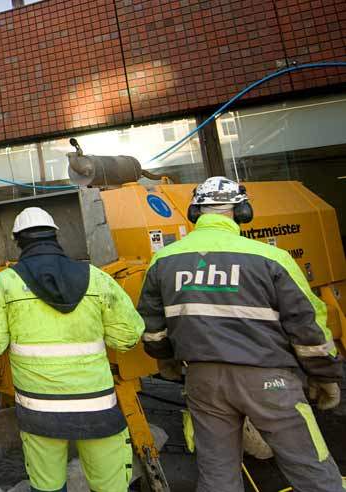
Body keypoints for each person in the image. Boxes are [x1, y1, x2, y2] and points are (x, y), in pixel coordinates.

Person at [137, 176, 344, 492]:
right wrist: (325, 375)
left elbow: (152, 329)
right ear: (242, 210)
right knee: (310, 469)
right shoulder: (271, 258)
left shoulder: (164, 259)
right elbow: (307, 328)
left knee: (218, 477)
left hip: (203, 382)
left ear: (195, 213)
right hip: (269, 382)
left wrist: (168, 361)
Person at [0, 207, 145, 492]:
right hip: (98, 407)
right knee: (110, 486)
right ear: (55, 236)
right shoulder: (97, 278)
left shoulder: (2, 284)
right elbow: (127, 336)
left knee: (48, 486)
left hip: (39, 410)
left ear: (18, 241)